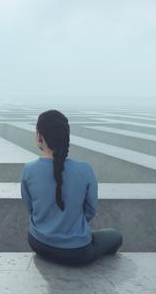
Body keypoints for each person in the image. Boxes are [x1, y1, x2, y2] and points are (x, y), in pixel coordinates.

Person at [20, 109, 123, 265]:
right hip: (76, 252)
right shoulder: (85, 170)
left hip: (38, 242)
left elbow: (31, 208)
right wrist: (70, 225)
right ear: (65, 138)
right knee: (115, 236)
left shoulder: (28, 169)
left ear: (39, 136)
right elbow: (90, 211)